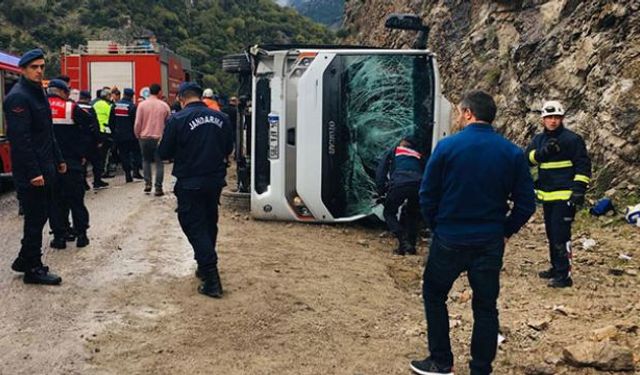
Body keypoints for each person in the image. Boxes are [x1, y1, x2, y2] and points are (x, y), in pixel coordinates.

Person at [411, 90, 535, 375]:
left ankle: (440, 361)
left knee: (434, 293)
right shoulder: (512, 152)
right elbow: (527, 203)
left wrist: (437, 227)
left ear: (468, 113)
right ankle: (480, 369)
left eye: (458, 112)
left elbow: (427, 194)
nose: (457, 117)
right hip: (489, 241)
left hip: (450, 238)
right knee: (486, 306)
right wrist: (505, 231)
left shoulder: (446, 147)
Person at [158, 82, 233, 298]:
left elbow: (164, 152)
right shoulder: (221, 118)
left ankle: (212, 279)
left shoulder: (177, 119)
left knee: (193, 224)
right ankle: (204, 265)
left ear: (181, 98)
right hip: (215, 180)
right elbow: (228, 147)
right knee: (209, 222)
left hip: (190, 181)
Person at [4, 48, 66, 285]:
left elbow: (47, 132)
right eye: (34, 67)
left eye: (41, 66)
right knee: (35, 218)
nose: (39, 71)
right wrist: (33, 173)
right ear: (23, 69)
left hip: (46, 165)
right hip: (33, 171)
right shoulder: (18, 97)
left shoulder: (37, 92)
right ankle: (33, 268)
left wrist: (59, 159)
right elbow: (20, 141)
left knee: (39, 217)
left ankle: (24, 258)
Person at [525, 100, 591, 288]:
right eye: (549, 117)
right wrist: (541, 154)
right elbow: (527, 159)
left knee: (561, 236)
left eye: (556, 117)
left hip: (565, 196)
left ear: (562, 119)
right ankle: (556, 268)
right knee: (552, 234)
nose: (553, 121)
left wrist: (579, 189)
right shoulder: (538, 140)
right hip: (547, 196)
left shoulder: (572, 139)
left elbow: (583, 165)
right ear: (543, 119)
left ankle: (564, 276)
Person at [47, 79, 92, 249]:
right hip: (71, 161)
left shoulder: (40, 107)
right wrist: (82, 153)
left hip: (49, 163)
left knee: (55, 200)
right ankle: (81, 235)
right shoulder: (71, 107)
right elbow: (89, 128)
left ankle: (60, 236)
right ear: (63, 92)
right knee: (76, 200)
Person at [375, 136, 424, 255]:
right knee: (413, 214)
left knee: (389, 212)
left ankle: (402, 240)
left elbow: (381, 171)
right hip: (418, 185)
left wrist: (380, 191)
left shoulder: (394, 151)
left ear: (402, 144)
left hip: (399, 183)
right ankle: (411, 246)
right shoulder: (418, 155)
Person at [134, 83, 170, 196]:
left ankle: (147, 184)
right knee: (159, 162)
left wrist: (137, 134)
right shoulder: (164, 106)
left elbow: (138, 122)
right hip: (159, 138)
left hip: (144, 137)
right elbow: (169, 123)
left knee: (146, 160)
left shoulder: (142, 105)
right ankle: (158, 188)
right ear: (159, 92)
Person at [109, 88, 143, 182]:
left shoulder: (115, 105)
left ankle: (128, 174)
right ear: (132, 96)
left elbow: (111, 121)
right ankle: (136, 172)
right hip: (131, 136)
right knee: (136, 153)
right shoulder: (132, 106)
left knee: (124, 155)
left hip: (119, 136)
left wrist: (114, 133)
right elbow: (136, 122)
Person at [77, 90, 107, 190]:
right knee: (96, 161)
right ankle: (97, 181)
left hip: (79, 140)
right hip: (91, 140)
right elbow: (95, 125)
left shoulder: (75, 107)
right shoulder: (90, 108)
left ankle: (83, 182)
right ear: (88, 98)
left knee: (82, 162)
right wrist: (99, 140)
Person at [93, 87, 115, 182]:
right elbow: (112, 121)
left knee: (95, 156)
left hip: (95, 132)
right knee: (104, 156)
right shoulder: (109, 105)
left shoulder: (94, 104)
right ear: (107, 96)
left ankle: (96, 177)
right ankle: (100, 176)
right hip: (105, 132)